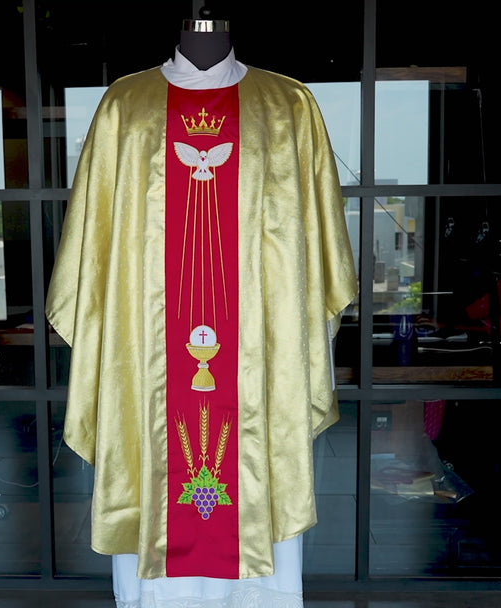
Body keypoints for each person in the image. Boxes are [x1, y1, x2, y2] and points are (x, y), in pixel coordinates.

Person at [46, 15, 358, 608]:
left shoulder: (287, 103)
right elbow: (98, 247)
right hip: (147, 343)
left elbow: (310, 245)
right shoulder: (126, 105)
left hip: (260, 345)